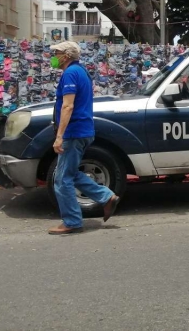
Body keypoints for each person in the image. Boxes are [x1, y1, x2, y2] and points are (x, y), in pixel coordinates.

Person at [48, 41, 120, 235]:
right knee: (70, 174)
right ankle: (106, 197)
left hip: (74, 132)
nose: (53, 56)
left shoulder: (71, 73)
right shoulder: (81, 72)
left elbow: (68, 106)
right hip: (83, 130)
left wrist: (59, 136)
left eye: (56, 53)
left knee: (62, 180)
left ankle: (72, 221)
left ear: (66, 55)